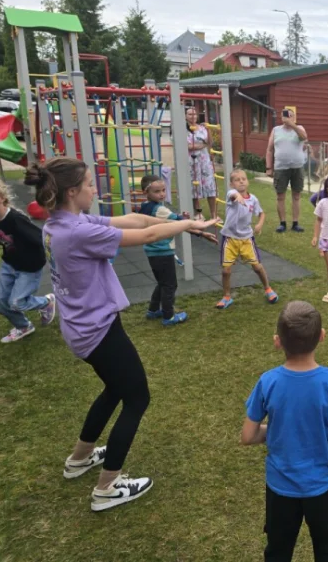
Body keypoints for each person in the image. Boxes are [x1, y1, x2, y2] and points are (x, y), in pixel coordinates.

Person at [23, 157, 218, 511]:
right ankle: (107, 487)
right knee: (137, 398)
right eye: (88, 184)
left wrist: (180, 223)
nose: (94, 189)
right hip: (96, 330)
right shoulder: (78, 232)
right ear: (72, 191)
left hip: (83, 326)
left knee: (116, 388)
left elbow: (136, 220)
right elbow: (147, 236)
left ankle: (80, 458)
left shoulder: (61, 223)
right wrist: (189, 222)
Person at [241, 301, 328, 562]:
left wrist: (276, 431)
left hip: (281, 487)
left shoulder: (268, 381)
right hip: (323, 486)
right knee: (326, 545)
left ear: (277, 341)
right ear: (322, 336)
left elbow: (248, 436)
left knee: (278, 549)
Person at [138, 175, 217, 326]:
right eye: (157, 191)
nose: (162, 194)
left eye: (163, 190)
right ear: (146, 192)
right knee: (170, 284)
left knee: (162, 282)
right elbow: (180, 222)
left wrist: (189, 225)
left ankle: (153, 310)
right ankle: (168, 316)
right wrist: (195, 224)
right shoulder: (160, 209)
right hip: (162, 251)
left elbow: (175, 222)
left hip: (152, 251)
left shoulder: (145, 206)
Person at [0, 178, 56, 343]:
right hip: (9, 264)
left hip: (29, 267)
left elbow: (40, 238)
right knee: (1, 303)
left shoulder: (16, 219)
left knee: (17, 303)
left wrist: (54, 257)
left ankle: (46, 302)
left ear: (2, 197)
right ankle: (24, 326)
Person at [216, 169, 278, 309]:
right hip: (230, 238)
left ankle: (268, 289)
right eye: (237, 180)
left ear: (248, 181)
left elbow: (261, 213)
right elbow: (232, 195)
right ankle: (226, 296)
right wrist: (237, 195)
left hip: (246, 239)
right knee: (226, 271)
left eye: (243, 179)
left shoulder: (253, 199)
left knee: (257, 267)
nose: (241, 181)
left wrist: (259, 224)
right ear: (232, 184)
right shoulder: (231, 195)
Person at [265, 108, 308, 233]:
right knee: (280, 196)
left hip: (297, 167)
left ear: (294, 117)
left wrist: (292, 125)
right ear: (281, 117)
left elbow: (304, 137)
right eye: (285, 115)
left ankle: (295, 223)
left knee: (296, 195)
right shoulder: (276, 130)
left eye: (291, 115)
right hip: (280, 167)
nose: (288, 117)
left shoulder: (299, 128)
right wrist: (269, 167)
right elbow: (269, 150)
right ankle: (282, 223)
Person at [186, 106, 218, 221]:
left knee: (210, 186)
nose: (193, 116)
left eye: (194, 114)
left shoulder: (202, 128)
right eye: (190, 114)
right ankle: (198, 213)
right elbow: (188, 146)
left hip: (205, 161)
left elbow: (210, 142)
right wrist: (203, 145)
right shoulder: (183, 129)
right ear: (185, 116)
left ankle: (214, 214)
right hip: (192, 161)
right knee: (195, 186)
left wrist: (208, 130)